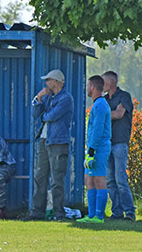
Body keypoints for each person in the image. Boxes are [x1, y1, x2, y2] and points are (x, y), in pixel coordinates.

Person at [24, 69, 74, 221]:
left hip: (58, 142)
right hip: (44, 140)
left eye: (48, 80)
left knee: (57, 179)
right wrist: (39, 97)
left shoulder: (66, 98)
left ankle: (59, 213)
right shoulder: (47, 97)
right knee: (40, 177)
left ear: (56, 82)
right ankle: (37, 212)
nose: (46, 83)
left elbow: (52, 116)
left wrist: (45, 116)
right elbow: (35, 114)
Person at [77, 75, 112, 223]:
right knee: (88, 179)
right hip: (91, 148)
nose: (86, 88)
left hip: (98, 149)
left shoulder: (100, 106)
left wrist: (91, 151)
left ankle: (99, 216)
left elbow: (98, 130)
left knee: (99, 180)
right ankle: (91, 215)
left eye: (87, 85)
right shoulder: (97, 105)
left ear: (92, 87)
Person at [102, 71, 136, 221]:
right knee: (110, 180)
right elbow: (112, 114)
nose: (101, 85)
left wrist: (104, 114)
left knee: (120, 179)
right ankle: (117, 212)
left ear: (111, 82)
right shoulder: (104, 100)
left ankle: (129, 212)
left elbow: (119, 115)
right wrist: (111, 113)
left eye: (103, 82)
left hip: (120, 143)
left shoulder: (124, 96)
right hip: (107, 143)